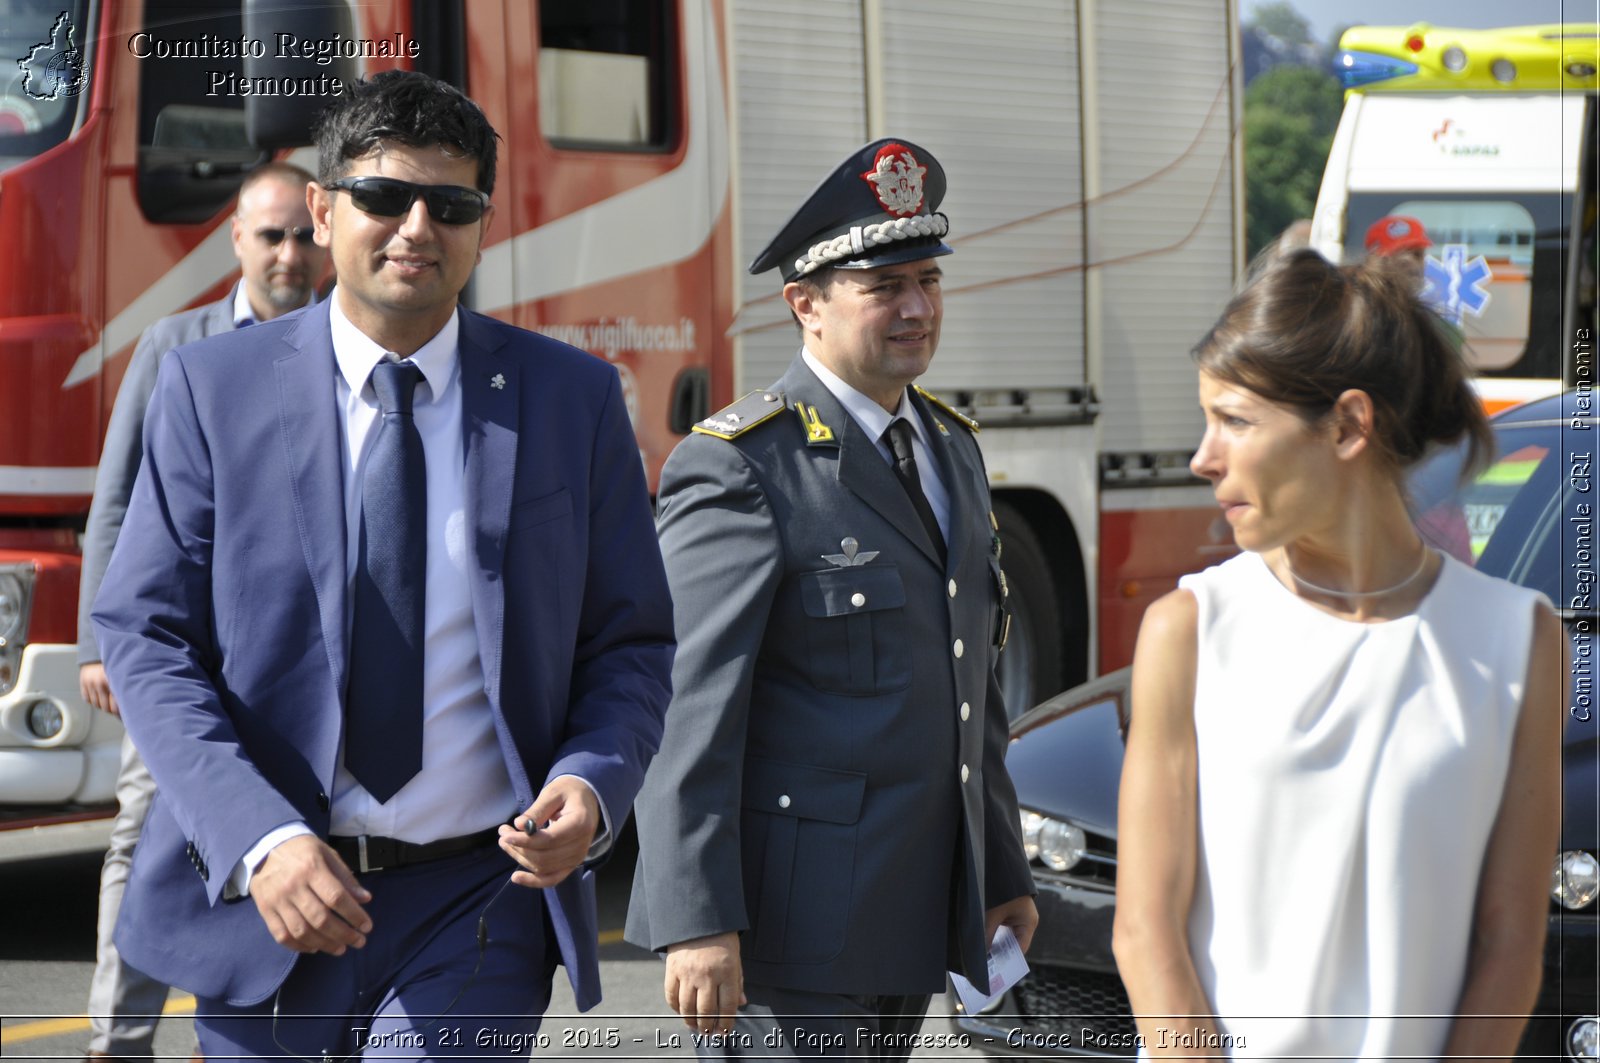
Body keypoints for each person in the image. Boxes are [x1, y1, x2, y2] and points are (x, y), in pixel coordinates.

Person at [90, 70, 674, 1061]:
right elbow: (145, 631)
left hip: (477, 903)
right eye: (383, 197)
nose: (417, 227)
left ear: (482, 227)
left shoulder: (571, 401)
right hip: (270, 901)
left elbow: (630, 638)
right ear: (322, 210)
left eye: (451, 205)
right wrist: (258, 839)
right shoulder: (210, 388)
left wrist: (592, 779)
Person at [625, 138, 1038, 1060]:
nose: (918, 308)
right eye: (884, 287)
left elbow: (975, 687)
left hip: (911, 909)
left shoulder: (950, 448)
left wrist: (999, 867)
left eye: (928, 280)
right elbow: (689, 708)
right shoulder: (740, 465)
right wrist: (696, 917)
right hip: (790, 932)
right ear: (804, 305)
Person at [1112, 249, 1562, 1058]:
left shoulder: (1516, 641)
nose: (1202, 457)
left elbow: (1511, 945)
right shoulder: (1190, 629)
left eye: (1236, 420)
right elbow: (1146, 931)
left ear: (1350, 424)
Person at [78, 159, 327, 1063]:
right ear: (236, 242)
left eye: (304, 234)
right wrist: (97, 643)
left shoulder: (346, 347)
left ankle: (236, 1028)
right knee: (146, 832)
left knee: (281, 837)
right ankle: (119, 1038)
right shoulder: (171, 346)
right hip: (177, 652)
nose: (290, 254)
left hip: (283, 663)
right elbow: (116, 501)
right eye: (272, 236)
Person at [1364, 213, 1431, 286]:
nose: (1412, 264)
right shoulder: (1356, 294)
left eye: (1417, 255)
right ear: (1374, 263)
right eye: (1402, 261)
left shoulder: (1434, 294)